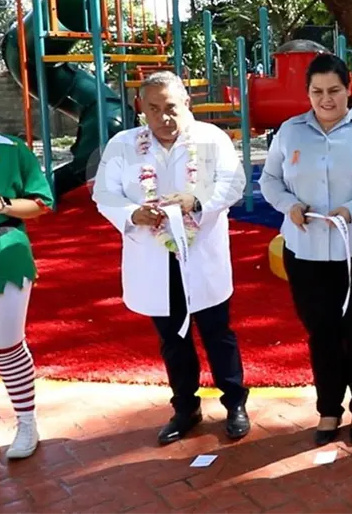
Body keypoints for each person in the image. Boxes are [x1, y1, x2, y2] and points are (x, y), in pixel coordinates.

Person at [93, 71, 250, 445]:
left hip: (201, 254)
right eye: (153, 109)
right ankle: (185, 407)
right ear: (140, 110)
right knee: (171, 339)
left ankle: (235, 402)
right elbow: (103, 193)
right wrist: (133, 213)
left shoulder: (211, 139)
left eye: (171, 108)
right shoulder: (122, 145)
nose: (164, 117)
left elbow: (234, 183)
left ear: (187, 105)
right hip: (153, 258)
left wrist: (196, 201)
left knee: (217, 332)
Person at [259, 53, 352, 446]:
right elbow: (270, 180)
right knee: (321, 331)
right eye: (317, 91)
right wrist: (290, 206)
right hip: (306, 251)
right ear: (307, 92)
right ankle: (328, 408)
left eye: (334, 91)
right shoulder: (289, 132)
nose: (326, 99)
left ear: (349, 88)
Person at [0, 101, 54, 460]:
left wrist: (0, 204)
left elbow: (40, 203)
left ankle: (26, 421)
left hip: (5, 252)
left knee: (7, 343)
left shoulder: (12, 150)